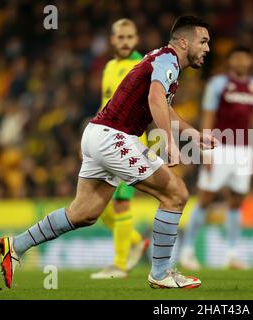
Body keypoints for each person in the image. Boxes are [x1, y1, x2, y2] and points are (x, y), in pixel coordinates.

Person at [0, 15, 216, 289]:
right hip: (115, 136)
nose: (208, 48)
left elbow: (161, 106)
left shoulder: (161, 60)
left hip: (97, 134)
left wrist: (192, 134)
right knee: (176, 193)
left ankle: (15, 246)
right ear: (184, 42)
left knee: (84, 213)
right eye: (204, 41)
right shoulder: (168, 60)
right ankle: (161, 273)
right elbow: (155, 98)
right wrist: (170, 144)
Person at [179, 46, 253, 270]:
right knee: (206, 198)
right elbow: (208, 117)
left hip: (244, 150)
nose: (240, 60)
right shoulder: (218, 84)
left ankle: (232, 254)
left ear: (250, 60)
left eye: (244, 56)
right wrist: (206, 151)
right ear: (230, 61)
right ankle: (187, 251)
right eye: (236, 57)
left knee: (237, 201)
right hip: (220, 146)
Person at [90, 18, 150, 280]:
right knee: (97, 209)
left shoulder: (143, 66)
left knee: (122, 203)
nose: (125, 42)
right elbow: (105, 105)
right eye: (120, 37)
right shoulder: (109, 67)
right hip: (104, 143)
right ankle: (135, 241)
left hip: (130, 143)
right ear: (112, 40)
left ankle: (119, 265)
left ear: (136, 39)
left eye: (129, 37)